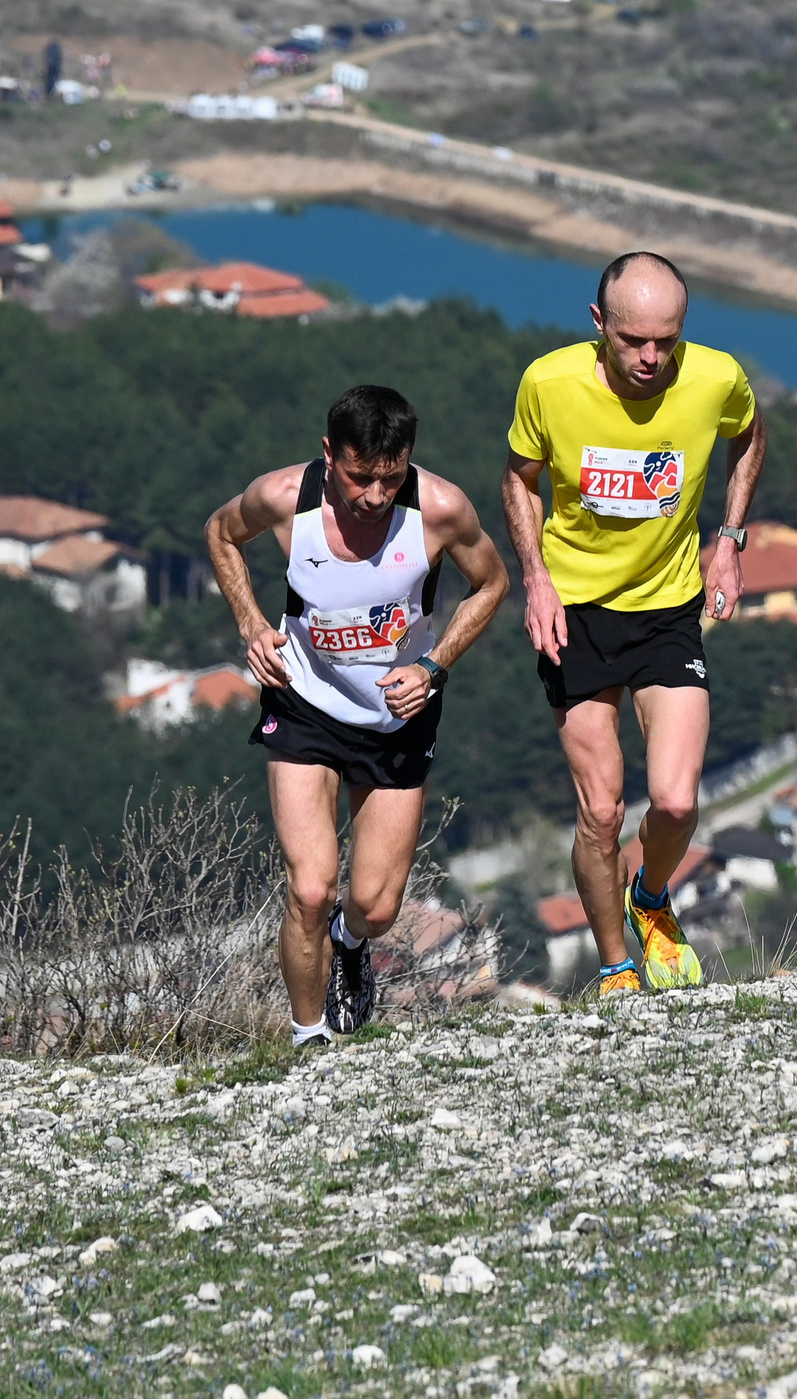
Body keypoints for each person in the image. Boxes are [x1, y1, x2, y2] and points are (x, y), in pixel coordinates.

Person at [208, 384, 509, 1046]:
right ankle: (307, 1032)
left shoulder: (442, 509)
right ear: (328, 455)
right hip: (304, 704)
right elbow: (221, 534)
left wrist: (434, 667)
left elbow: (492, 583)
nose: (374, 494)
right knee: (310, 890)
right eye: (358, 476)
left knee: (374, 905)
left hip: (397, 718)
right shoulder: (286, 498)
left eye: (389, 476)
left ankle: (350, 941)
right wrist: (252, 624)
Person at [502, 251, 767, 997]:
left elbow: (748, 435)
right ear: (599, 325)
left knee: (677, 801)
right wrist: (536, 577)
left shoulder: (715, 376)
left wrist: (730, 539)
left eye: (667, 339)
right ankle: (616, 964)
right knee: (601, 810)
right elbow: (518, 479)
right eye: (633, 341)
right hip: (577, 614)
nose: (652, 357)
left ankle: (650, 896)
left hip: (667, 610)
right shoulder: (548, 383)